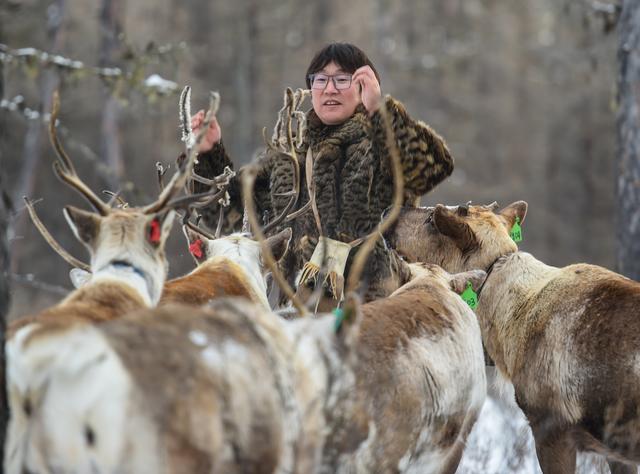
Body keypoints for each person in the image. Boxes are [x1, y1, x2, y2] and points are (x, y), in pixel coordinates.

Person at [188, 42, 454, 306]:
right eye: (320, 80)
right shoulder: (286, 156)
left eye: (342, 79)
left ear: (364, 86)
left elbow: (432, 169)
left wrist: (380, 112)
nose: (329, 89)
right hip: (294, 314)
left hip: (374, 312)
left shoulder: (382, 143)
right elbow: (225, 216)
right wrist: (208, 154)